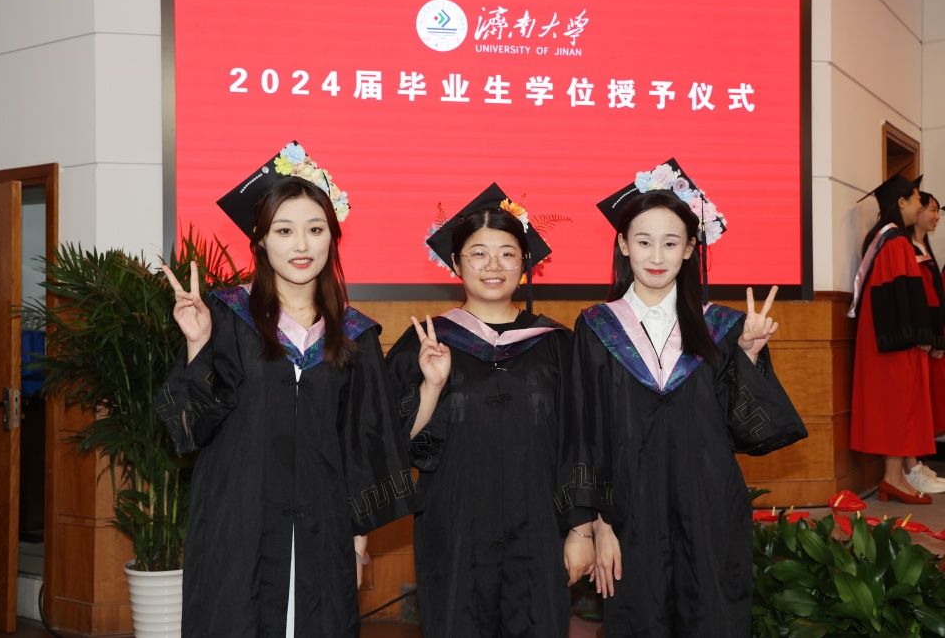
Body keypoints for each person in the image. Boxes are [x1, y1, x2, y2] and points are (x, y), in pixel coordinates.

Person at [155, 142, 414, 637]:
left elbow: (363, 442)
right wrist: (196, 344)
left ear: (332, 238)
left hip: (323, 529)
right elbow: (189, 428)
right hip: (239, 525)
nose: (301, 245)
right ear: (260, 240)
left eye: (315, 229)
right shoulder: (226, 317)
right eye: (284, 230)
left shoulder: (355, 336)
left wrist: (358, 533)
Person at [566, 160, 801, 637]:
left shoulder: (723, 327)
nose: (657, 256)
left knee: (713, 620)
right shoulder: (596, 328)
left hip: (709, 510)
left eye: (671, 243)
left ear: (691, 249)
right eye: (644, 241)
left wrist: (748, 358)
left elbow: (748, 432)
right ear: (623, 244)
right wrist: (598, 524)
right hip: (628, 515)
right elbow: (583, 432)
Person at [386, 184, 595, 638]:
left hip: (539, 532)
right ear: (456, 263)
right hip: (454, 530)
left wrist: (582, 530)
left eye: (507, 254)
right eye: (478, 254)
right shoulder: (427, 341)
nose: (493, 266)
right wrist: (431, 386)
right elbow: (390, 441)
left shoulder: (557, 345)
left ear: (525, 262)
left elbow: (581, 440)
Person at [849, 174, 937, 504]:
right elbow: (901, 295)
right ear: (901, 203)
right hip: (893, 341)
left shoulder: (885, 239)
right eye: (916, 199)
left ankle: (895, 477)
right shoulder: (895, 241)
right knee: (898, 405)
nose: (919, 205)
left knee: (898, 405)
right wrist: (918, 335)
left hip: (885, 337)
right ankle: (891, 478)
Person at [904, 187, 945, 491]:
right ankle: (910, 467)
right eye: (931, 208)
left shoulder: (923, 247)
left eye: (937, 210)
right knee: (913, 402)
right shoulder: (903, 245)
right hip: (915, 337)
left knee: (923, 403)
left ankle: (916, 462)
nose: (936, 216)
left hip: (929, 336)